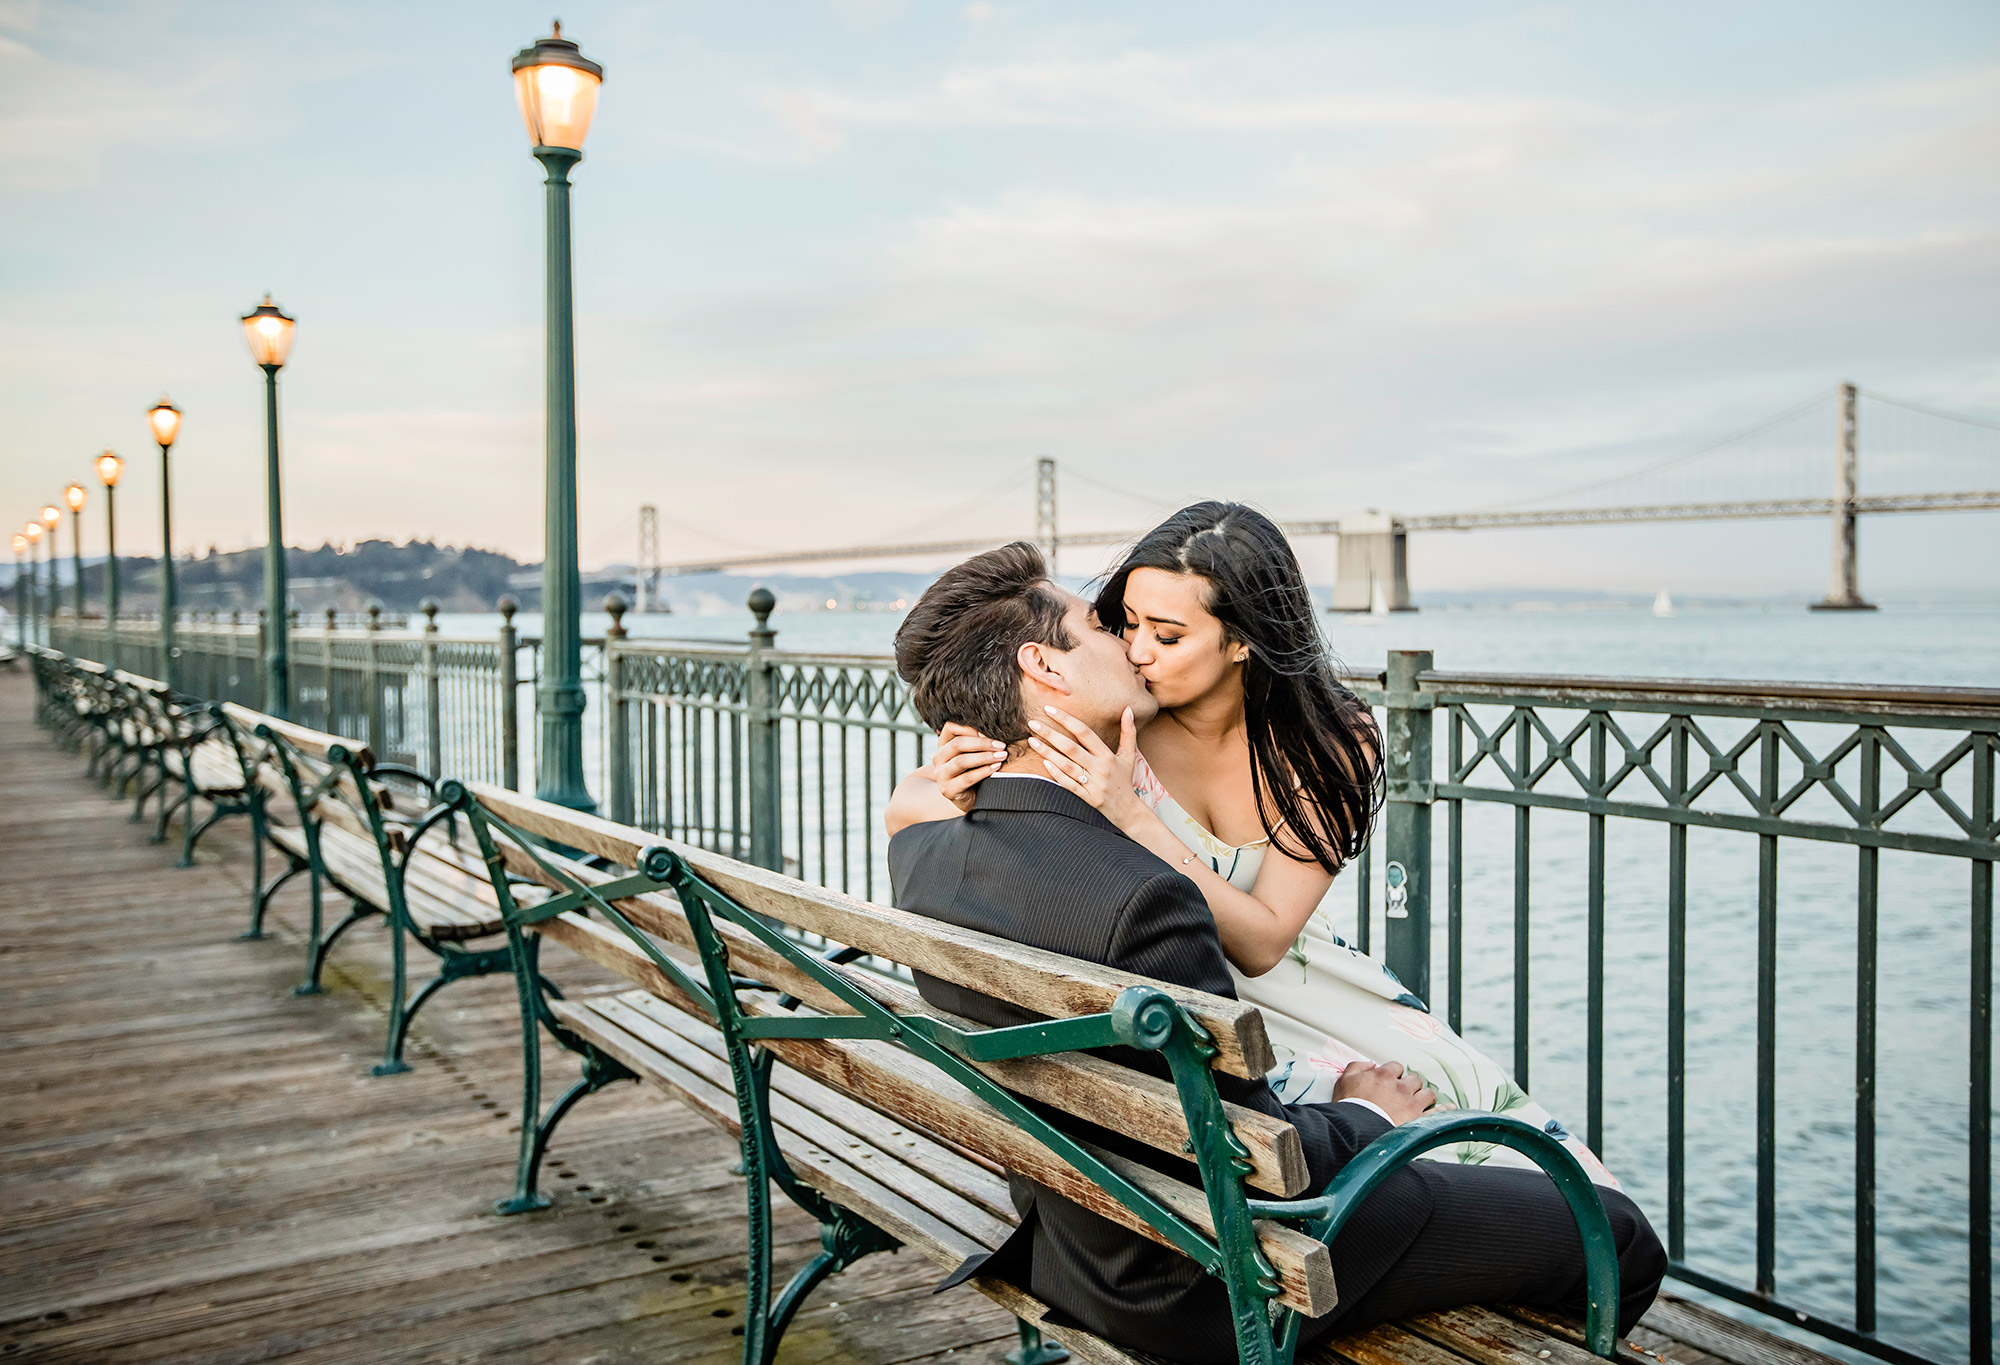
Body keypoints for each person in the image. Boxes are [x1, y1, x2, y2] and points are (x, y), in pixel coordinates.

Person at [887, 543, 1664, 1365]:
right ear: (1043, 665)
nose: (1128, 645)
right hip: (1212, 1281)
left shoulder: (923, 852)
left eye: (1154, 629)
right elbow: (1261, 1154)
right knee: (1615, 1234)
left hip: (1078, 1245)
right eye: (1103, 626)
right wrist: (1372, 1114)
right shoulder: (1143, 902)